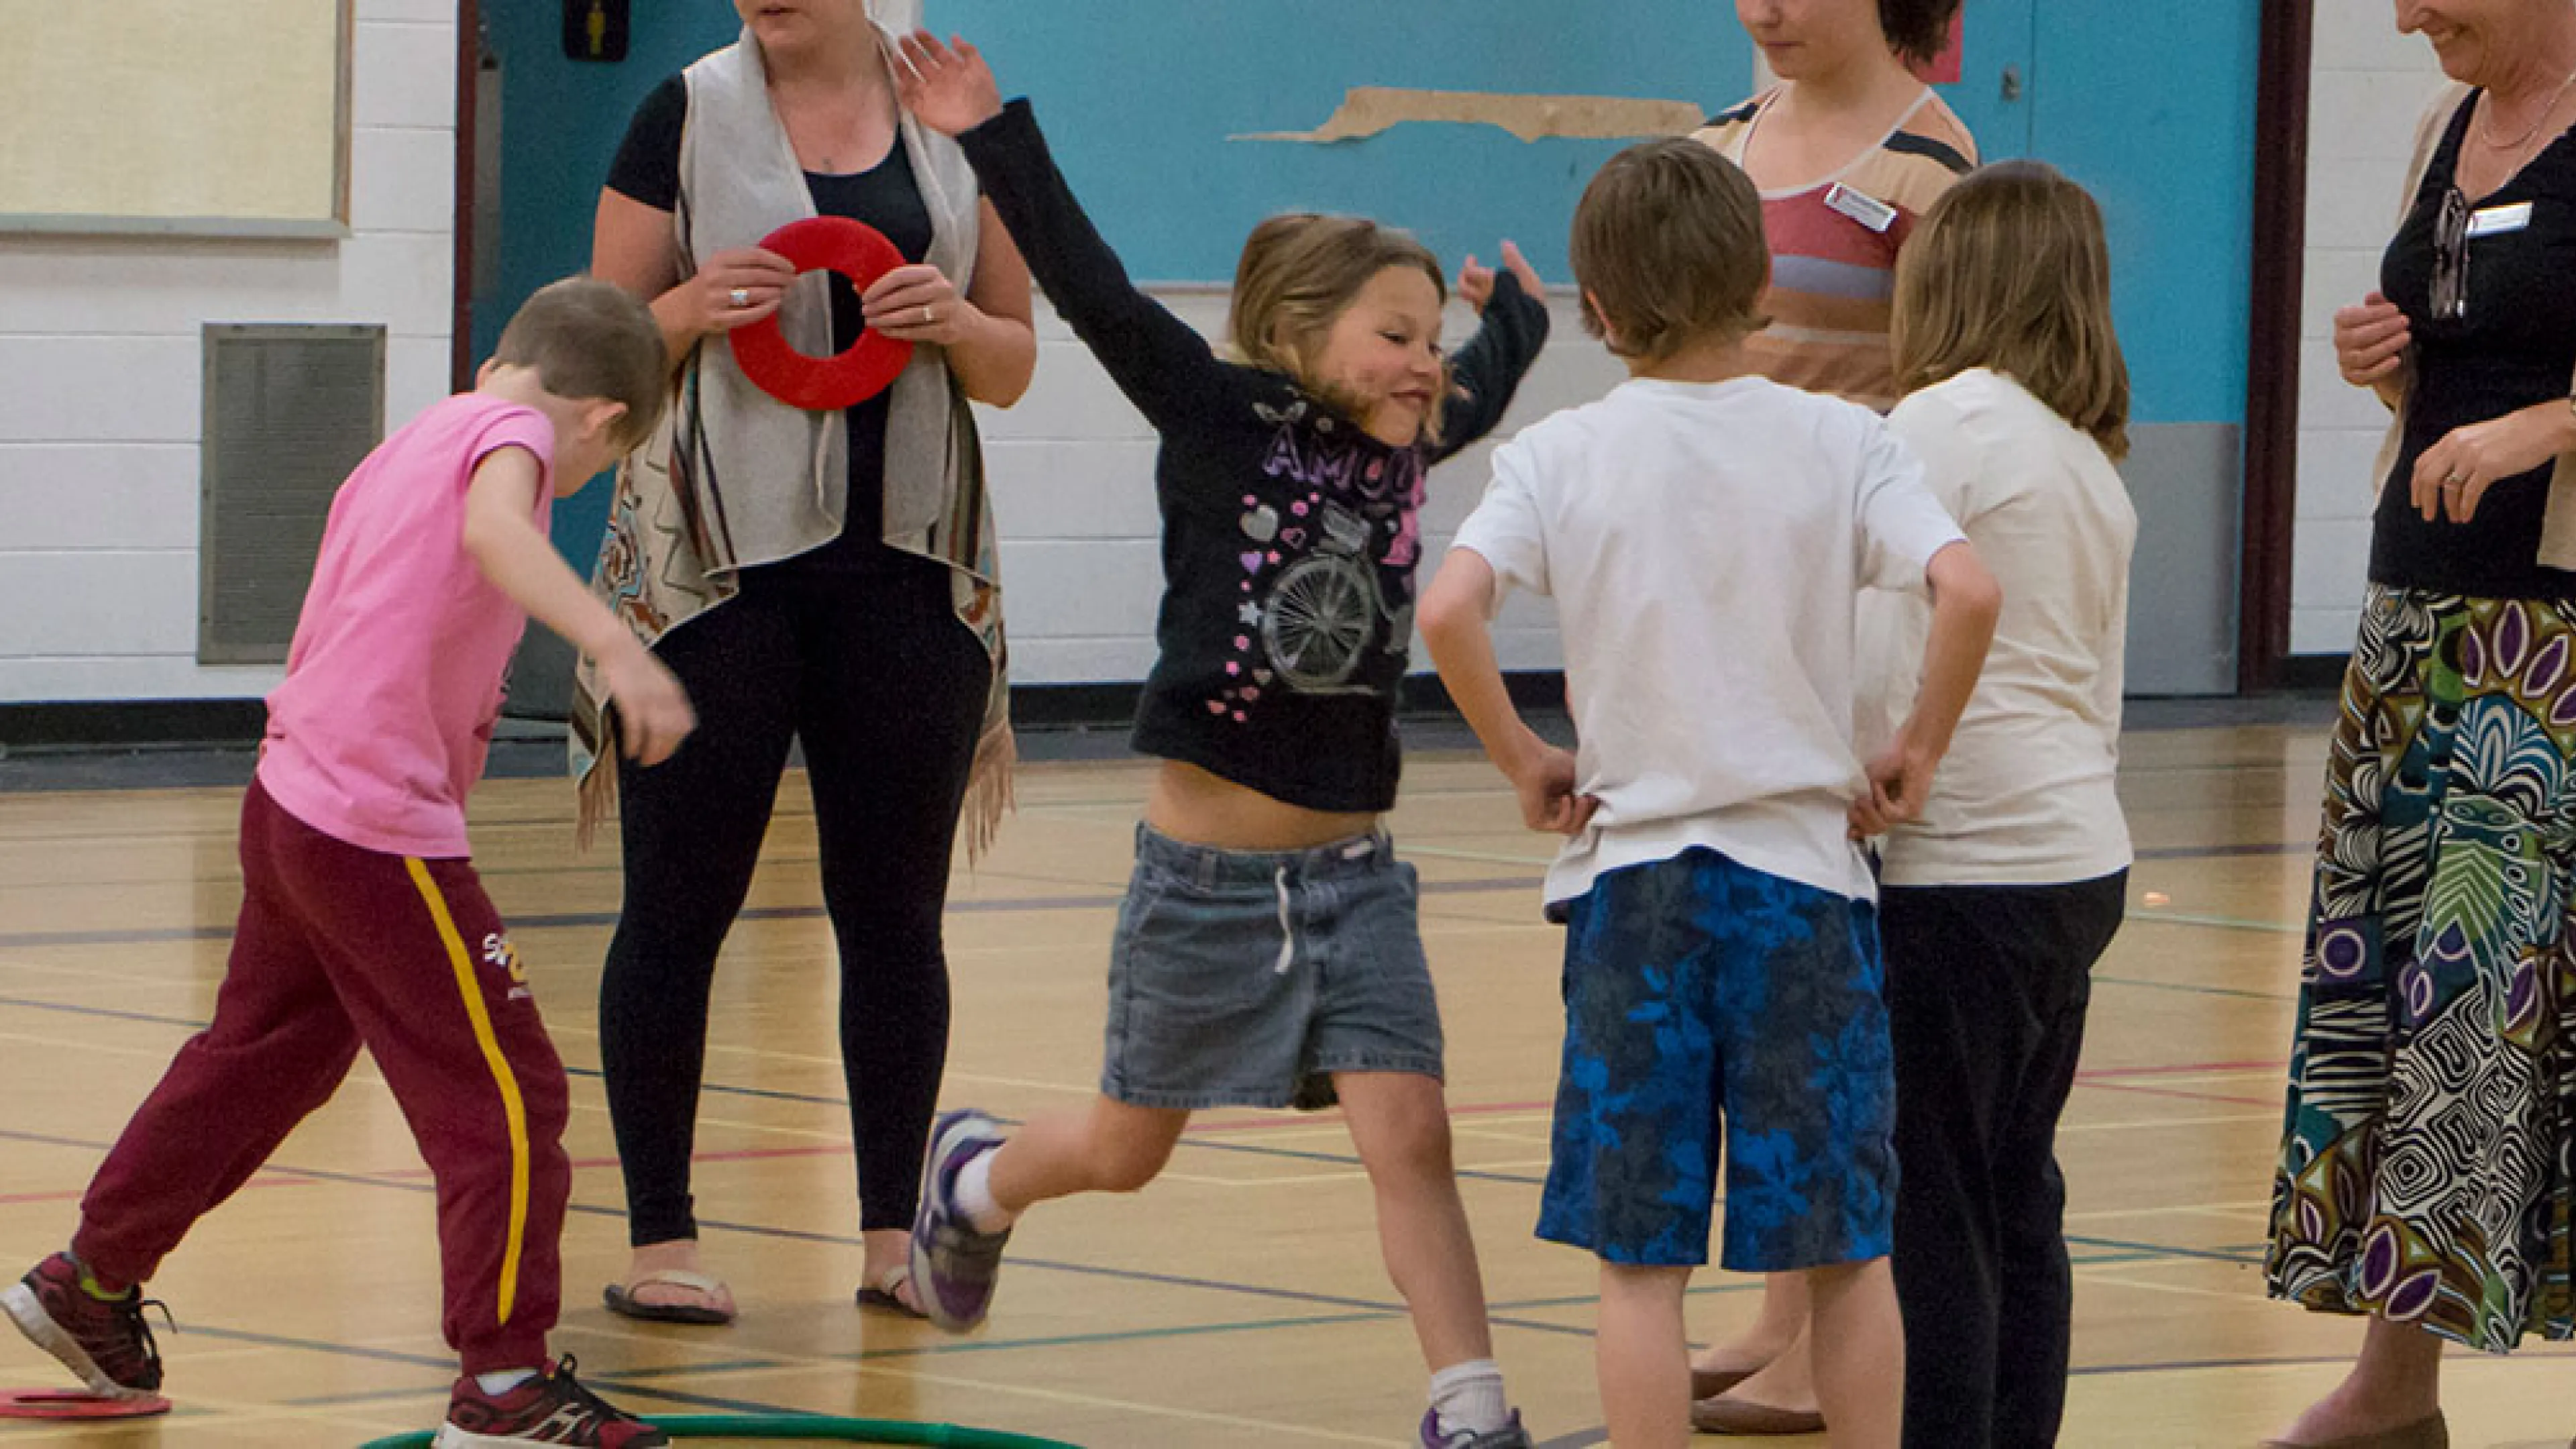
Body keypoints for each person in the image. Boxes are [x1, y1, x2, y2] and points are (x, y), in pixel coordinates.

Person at [885, 32, 1550, 1449]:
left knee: (1413, 1137)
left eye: (1432, 342)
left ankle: (1470, 1408)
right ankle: (977, 1185)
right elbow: (1096, 291)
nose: (1426, 368)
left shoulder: (1403, 444)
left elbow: (1478, 386)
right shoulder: (1216, 417)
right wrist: (990, 135)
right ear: (1297, 334)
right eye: (1395, 337)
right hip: (1205, 891)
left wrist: (1524, 323)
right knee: (1127, 1153)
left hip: (1356, 880)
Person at [1, 280, 690, 1449]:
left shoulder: (416, 436)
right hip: (375, 827)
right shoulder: (517, 437)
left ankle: (91, 1282)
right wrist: (617, 645)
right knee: (510, 1096)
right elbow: (496, 532)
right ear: (606, 422)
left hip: (291, 799)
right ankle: (506, 1384)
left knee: (256, 1067)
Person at [1419, 135, 2000, 1449]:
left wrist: (1525, 760)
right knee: (1847, 1252)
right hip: (1804, 891)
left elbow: (1448, 606)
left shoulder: (1559, 454)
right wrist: (1917, 743)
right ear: (1762, 287)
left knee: (1641, 1266)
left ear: (1601, 309)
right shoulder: (1844, 439)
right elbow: (1968, 587)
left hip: (1636, 898)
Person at [585, 0, 1037, 1325]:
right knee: (678, 907)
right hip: (717, 577)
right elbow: (590, 351)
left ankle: (894, 1237)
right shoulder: (680, 112)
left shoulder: (955, 120)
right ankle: (660, 1238)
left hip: (909, 570)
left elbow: (1011, 366)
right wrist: (683, 306)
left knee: (896, 918)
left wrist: (953, 319)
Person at [2263, 2, 2576, 1445]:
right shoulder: (2440, 128)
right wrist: (2383, 359)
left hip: (2551, 649)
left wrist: (2548, 426)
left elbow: (2529, 389)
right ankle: (2395, 1390)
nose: (2403, 14)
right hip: (2417, 629)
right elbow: (2447, 359)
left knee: (2511, 1014)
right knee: (2408, 1014)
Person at [1689, 7, 1975, 1423]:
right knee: (1747, 968)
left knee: (1819, 985)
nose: (1767, 11)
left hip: (1839, 613)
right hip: (1715, 608)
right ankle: (1774, 1306)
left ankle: (1827, 1337)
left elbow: (1945, 405)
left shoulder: (1934, 168)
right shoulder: (1710, 151)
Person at [1856, 160, 2136, 1449]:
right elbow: (2102, 692)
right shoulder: (2086, 460)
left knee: (1937, 1200)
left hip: (1958, 867)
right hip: (2074, 861)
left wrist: (1861, 778)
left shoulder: (1938, 426)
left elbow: (1875, 641)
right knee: (2017, 1192)